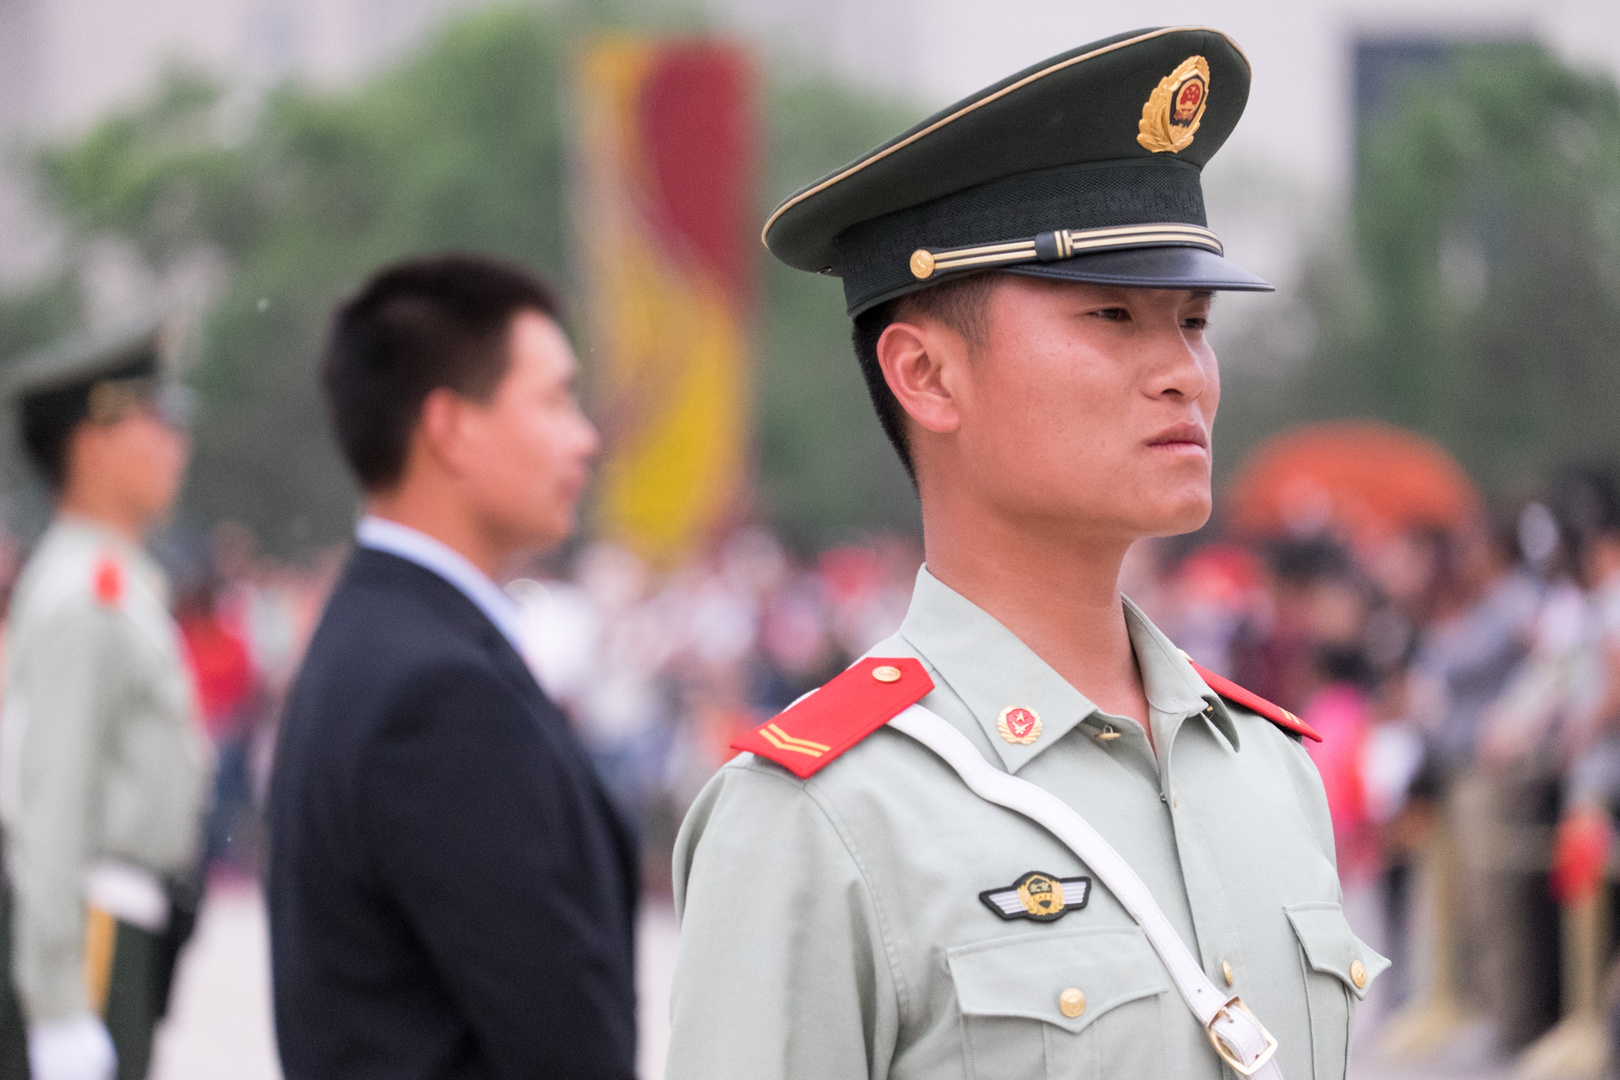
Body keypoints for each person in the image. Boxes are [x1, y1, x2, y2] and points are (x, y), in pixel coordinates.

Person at [667, 26, 1387, 1080]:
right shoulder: (822, 819)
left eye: (1193, 321)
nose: (1185, 371)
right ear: (926, 376)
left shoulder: (1269, 770)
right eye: (1113, 314)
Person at [268, 254, 637, 1079]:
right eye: (554, 398)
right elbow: (553, 1034)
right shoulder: (439, 693)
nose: (585, 437)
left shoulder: (376, 631)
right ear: (451, 428)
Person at [0, 323, 209, 1080]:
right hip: (91, 928)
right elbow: (50, 809)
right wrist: (56, 1006)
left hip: (122, 923)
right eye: (155, 420)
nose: (175, 442)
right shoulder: (84, 594)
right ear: (91, 444)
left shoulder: (116, 579)